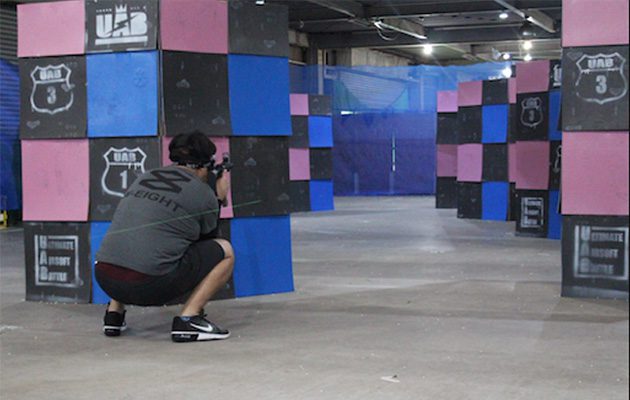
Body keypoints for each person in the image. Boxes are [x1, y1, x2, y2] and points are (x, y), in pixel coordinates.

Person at [94, 131, 234, 342]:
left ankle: (114, 315)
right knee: (226, 251)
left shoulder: (145, 177)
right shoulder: (202, 192)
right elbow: (208, 239)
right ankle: (188, 320)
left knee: (136, 242)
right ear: (205, 166)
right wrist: (219, 199)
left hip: (105, 278)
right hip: (147, 286)